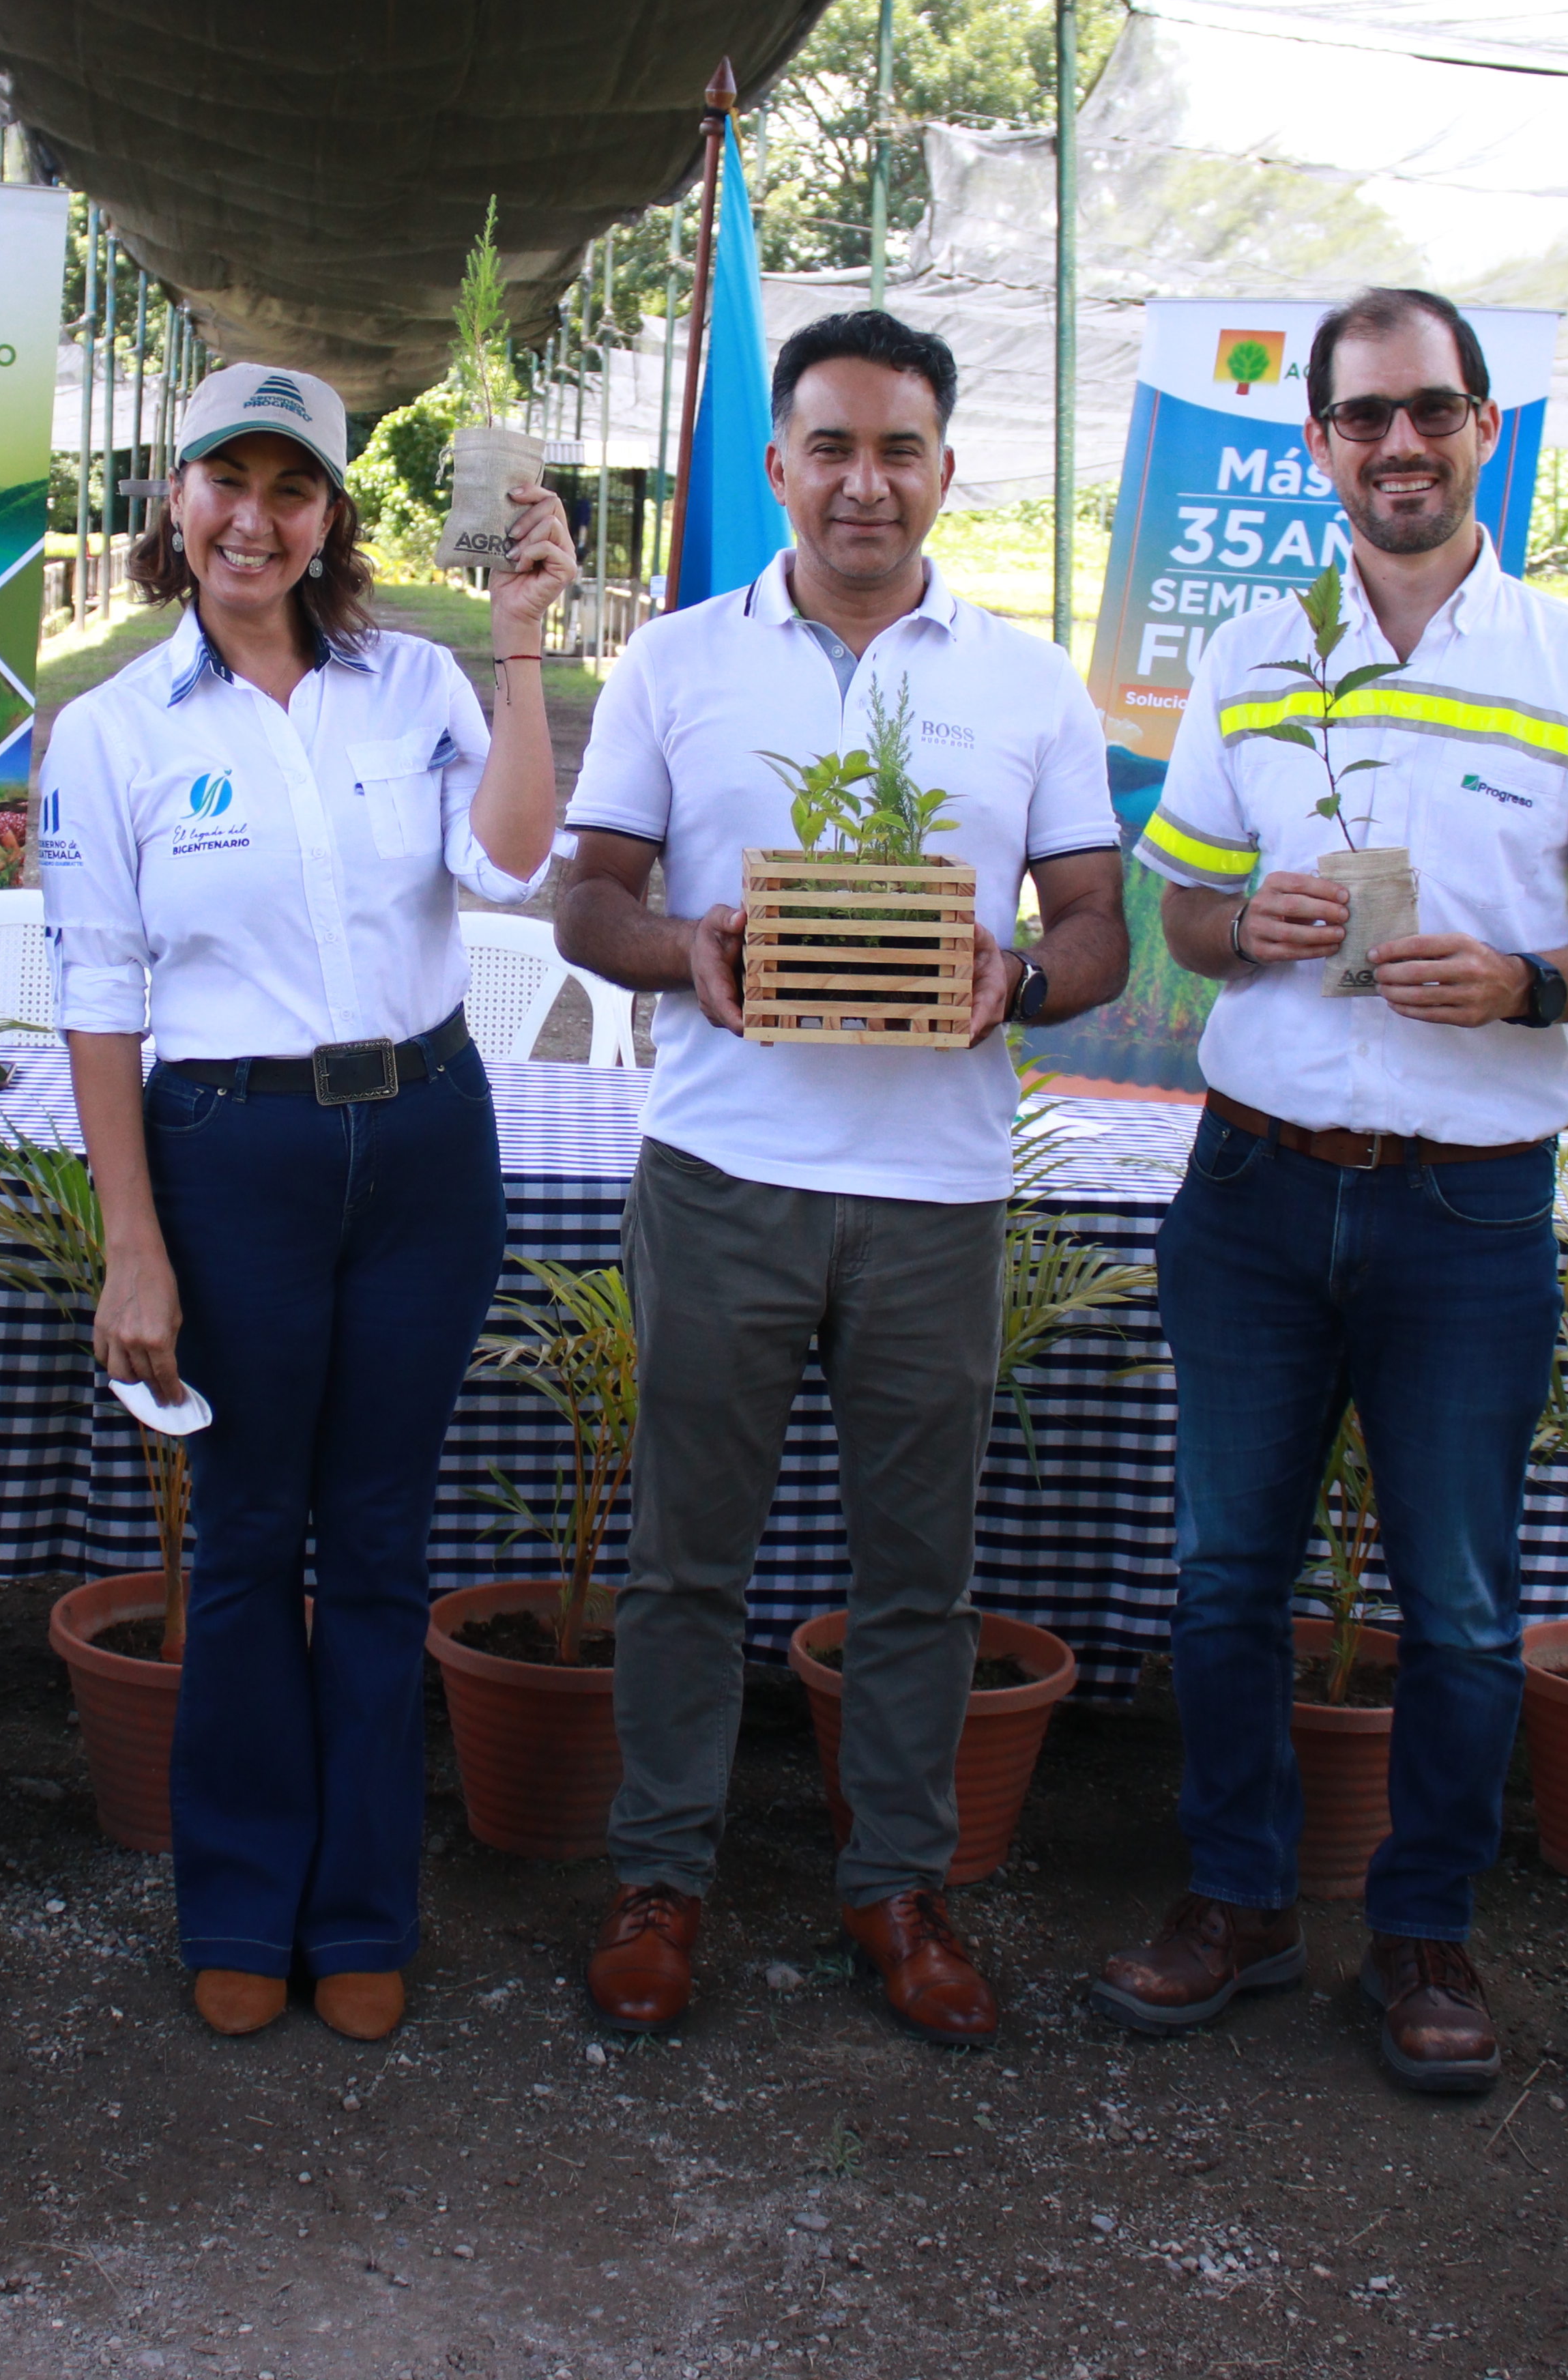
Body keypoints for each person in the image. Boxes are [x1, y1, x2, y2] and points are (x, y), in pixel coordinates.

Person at [1103, 286, 1568, 2095]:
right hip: (1259, 1185)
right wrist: (1244, 925)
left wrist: (1530, 986)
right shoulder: (1254, 653)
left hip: (1469, 1207)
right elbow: (1185, 911)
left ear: (1485, 431)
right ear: (1319, 450)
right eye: (1362, 420)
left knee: (1461, 1600)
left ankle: (1425, 1934)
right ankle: (1241, 1898)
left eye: (1430, 411)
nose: (1399, 446)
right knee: (1223, 1580)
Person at [554, 309, 1129, 2050]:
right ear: (779, 465)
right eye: (831, 446)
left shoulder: (1025, 679)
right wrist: (684, 951)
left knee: (917, 1570)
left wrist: (1012, 979)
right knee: (685, 1559)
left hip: (936, 1188)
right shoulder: (675, 662)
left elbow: (1098, 929)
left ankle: (898, 1880)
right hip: (725, 1165)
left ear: (947, 471)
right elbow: (586, 900)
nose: (864, 481)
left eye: (900, 449)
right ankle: (662, 1877)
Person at [38, 361, 577, 2044]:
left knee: (384, 1542)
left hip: (422, 1140)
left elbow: (513, 867)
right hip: (231, 1158)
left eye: (292, 487)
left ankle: (361, 1913)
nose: (254, 518)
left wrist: (518, 647)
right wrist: (135, 1240)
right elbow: (97, 990)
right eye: (225, 483)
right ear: (175, 505)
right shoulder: (116, 732)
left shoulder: (414, 681)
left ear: (332, 515)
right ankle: (240, 1901)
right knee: (250, 1540)